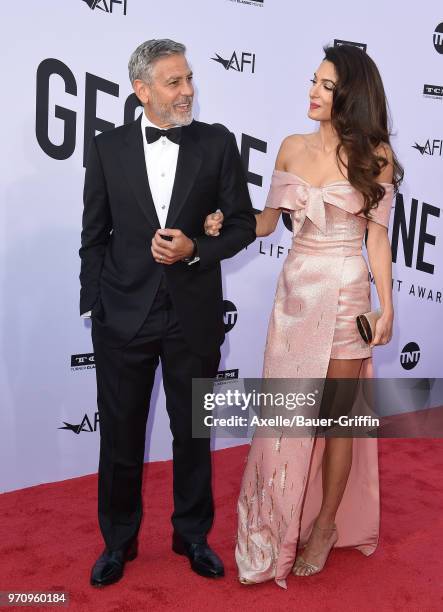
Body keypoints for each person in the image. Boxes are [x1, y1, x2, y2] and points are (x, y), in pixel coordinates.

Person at [204, 44, 403, 588]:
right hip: (295, 295)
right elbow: (265, 224)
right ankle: (270, 526)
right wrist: (224, 220)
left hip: (346, 294)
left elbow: (377, 239)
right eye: (312, 82)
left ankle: (325, 524)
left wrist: (387, 306)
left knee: (338, 422)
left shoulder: (376, 156)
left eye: (326, 85)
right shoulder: (290, 148)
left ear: (350, 95)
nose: (313, 92)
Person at [79, 38, 256, 587]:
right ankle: (119, 541)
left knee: (194, 434)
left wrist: (196, 249)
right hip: (124, 315)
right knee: (121, 439)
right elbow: (94, 237)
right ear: (142, 90)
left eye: (189, 79)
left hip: (193, 313)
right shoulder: (108, 149)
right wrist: (97, 305)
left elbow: (243, 225)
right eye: (174, 82)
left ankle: (193, 536)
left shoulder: (218, 142)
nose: (188, 91)